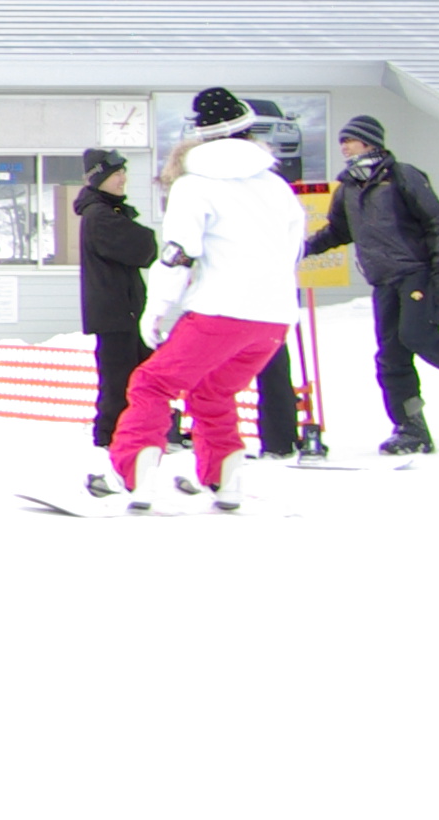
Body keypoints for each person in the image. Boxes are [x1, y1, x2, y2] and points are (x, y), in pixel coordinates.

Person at [99, 85, 309, 510]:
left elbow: (178, 253)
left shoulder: (194, 186)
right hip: (274, 318)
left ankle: (133, 475)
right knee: (212, 392)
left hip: (220, 311)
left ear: (199, 135)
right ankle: (225, 478)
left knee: (152, 383)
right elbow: (293, 249)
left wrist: (157, 309)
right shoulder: (276, 186)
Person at [305, 113, 439, 454]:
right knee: (391, 358)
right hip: (383, 281)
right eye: (342, 141)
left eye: (350, 140)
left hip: (417, 272)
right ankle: (411, 428)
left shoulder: (402, 176)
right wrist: (301, 249)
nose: (344, 147)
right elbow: (337, 232)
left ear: (370, 142)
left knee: (416, 335)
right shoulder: (347, 189)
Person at [73, 147, 156, 450]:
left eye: (123, 172)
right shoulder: (100, 216)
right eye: (116, 173)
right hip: (116, 314)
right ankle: (111, 435)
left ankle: (141, 429)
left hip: (124, 312)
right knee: (120, 380)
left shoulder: (106, 212)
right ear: (99, 178)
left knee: (140, 374)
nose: (123, 179)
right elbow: (144, 247)